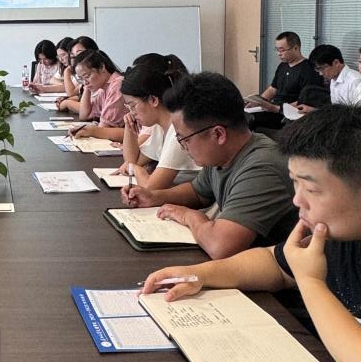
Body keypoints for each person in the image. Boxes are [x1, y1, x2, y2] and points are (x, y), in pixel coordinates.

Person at [141, 105, 361, 362]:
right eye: (295, 184)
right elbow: (274, 263)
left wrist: (310, 281)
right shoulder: (337, 237)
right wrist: (200, 275)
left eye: (311, 189)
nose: (297, 201)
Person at [122, 72, 296, 259]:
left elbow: (220, 246)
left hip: (277, 273)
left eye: (184, 139)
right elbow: (198, 192)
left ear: (218, 134)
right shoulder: (222, 155)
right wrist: (154, 197)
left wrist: (189, 216)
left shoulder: (262, 168)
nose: (183, 147)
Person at [118, 64, 200, 189]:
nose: (131, 112)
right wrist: (129, 129)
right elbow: (132, 161)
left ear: (153, 100)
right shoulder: (159, 127)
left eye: (132, 106)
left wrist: (136, 169)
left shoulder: (177, 131)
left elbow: (151, 187)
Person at [247, 32, 322, 129]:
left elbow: (305, 101)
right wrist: (258, 102)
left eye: (282, 50)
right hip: (274, 107)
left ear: (296, 48)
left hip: (287, 113)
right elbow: (272, 89)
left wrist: (278, 108)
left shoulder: (308, 69)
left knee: (251, 119)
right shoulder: (283, 65)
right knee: (242, 114)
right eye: (277, 50)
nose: (279, 53)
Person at [70, 48, 127, 142]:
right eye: (81, 79)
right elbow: (84, 115)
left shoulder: (117, 85)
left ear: (102, 67)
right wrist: (87, 87)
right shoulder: (103, 88)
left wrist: (90, 131)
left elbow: (104, 127)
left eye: (87, 76)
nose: (85, 82)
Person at [57, 36, 99, 114]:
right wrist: (67, 99)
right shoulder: (85, 76)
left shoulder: (98, 76)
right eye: (72, 57)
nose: (76, 59)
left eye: (80, 54)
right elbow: (82, 95)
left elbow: (89, 110)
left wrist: (67, 103)